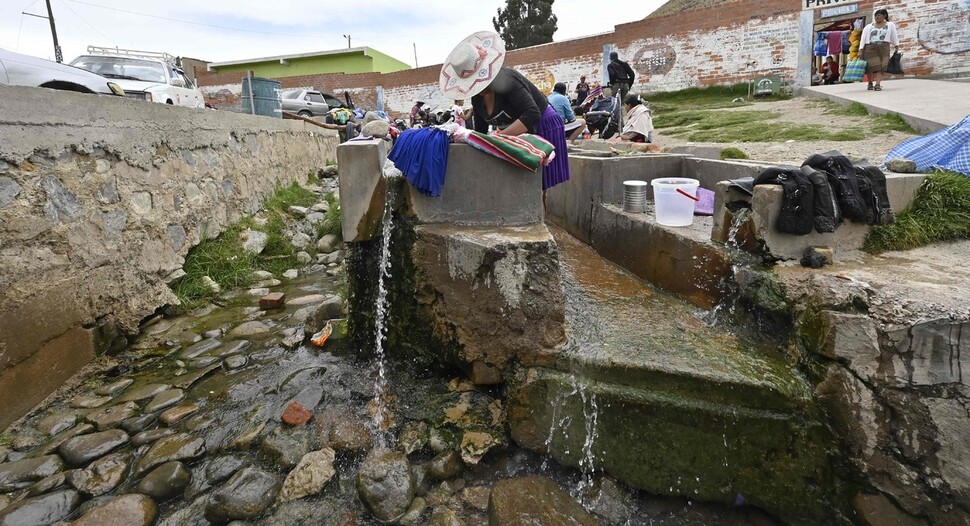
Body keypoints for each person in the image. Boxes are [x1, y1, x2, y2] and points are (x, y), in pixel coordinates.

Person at [439, 31, 570, 191]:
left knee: (541, 185)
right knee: (525, 186)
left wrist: (500, 138)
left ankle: (544, 213)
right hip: (517, 133)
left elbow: (532, 113)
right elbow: (480, 132)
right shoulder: (477, 99)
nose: (478, 87)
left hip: (542, 123)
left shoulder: (507, 80)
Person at [861, 8, 899, 91]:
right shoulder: (868, 27)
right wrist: (861, 50)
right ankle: (870, 83)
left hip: (884, 47)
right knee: (870, 67)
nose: (876, 17)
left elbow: (894, 35)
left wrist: (896, 45)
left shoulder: (890, 25)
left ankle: (877, 84)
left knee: (881, 66)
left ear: (884, 16)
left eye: (878, 15)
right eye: (875, 16)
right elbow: (863, 38)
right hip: (869, 48)